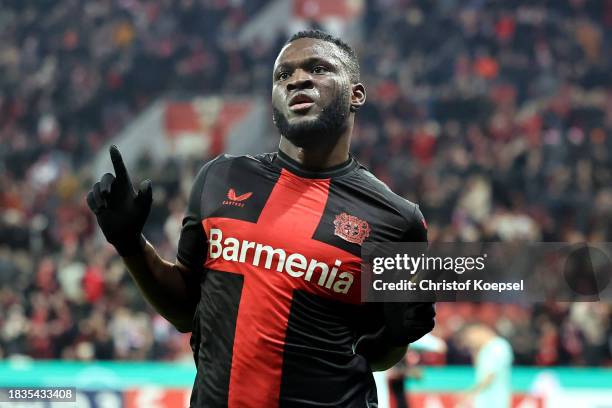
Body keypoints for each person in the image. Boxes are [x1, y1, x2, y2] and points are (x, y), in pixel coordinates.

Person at [87, 30, 435, 408]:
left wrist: (398, 337)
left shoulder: (397, 220)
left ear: (356, 94)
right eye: (283, 75)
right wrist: (130, 245)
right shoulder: (219, 179)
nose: (297, 79)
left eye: (318, 68)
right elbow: (187, 309)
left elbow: (379, 355)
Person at [456, 323, 513, 408]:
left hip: (494, 401)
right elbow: (479, 371)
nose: (471, 342)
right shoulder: (486, 349)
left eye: (471, 338)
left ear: (480, 332)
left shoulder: (497, 347)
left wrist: (469, 392)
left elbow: (490, 376)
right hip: (486, 401)